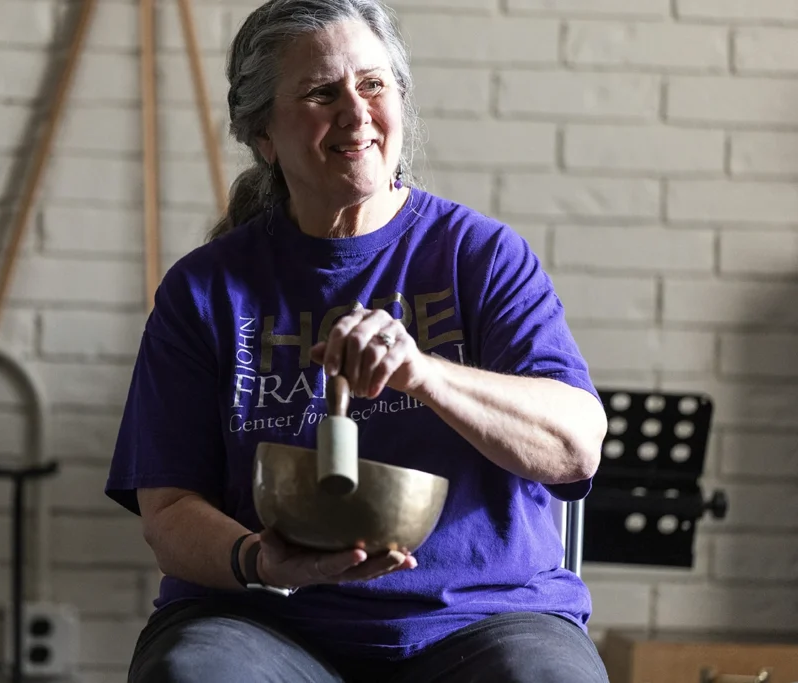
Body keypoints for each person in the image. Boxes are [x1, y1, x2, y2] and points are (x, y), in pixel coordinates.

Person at [105, 0, 611, 681]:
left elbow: (575, 445)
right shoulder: (206, 289)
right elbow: (168, 512)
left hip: (482, 619)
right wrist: (257, 558)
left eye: (373, 83)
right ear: (262, 133)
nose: (355, 112)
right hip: (264, 621)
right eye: (321, 92)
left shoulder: (480, 257)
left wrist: (423, 373)